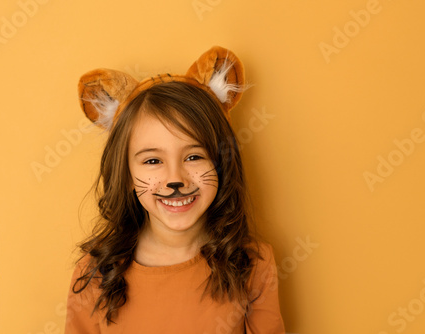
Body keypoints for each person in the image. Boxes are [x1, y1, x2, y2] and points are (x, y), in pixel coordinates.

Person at [64, 46, 285, 333]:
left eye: (194, 156)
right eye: (153, 160)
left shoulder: (254, 265)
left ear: (221, 163)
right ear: (127, 174)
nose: (175, 179)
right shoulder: (93, 274)